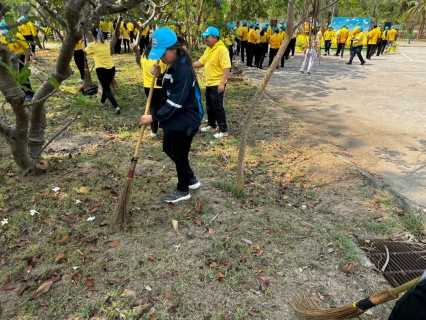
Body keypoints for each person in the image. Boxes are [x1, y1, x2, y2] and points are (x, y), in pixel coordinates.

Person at [140, 27, 203, 203]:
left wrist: (153, 117)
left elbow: (176, 102)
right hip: (175, 117)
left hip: (186, 120)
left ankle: (183, 189)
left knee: (179, 155)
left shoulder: (183, 70)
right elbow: (170, 89)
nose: (161, 57)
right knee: (169, 148)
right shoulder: (173, 66)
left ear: (173, 49)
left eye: (163, 53)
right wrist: (160, 77)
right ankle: (190, 178)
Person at [194, 26, 231, 139]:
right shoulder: (209, 49)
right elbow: (201, 62)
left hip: (217, 83)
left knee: (217, 107)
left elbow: (226, 67)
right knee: (210, 106)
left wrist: (222, 83)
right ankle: (212, 125)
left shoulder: (222, 50)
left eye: (207, 37)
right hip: (209, 83)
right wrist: (187, 65)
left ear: (214, 37)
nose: (206, 39)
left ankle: (223, 130)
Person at [85, 28, 120, 114]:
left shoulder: (92, 45)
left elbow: (84, 51)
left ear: (92, 35)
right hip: (112, 68)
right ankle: (103, 101)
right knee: (106, 86)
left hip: (101, 70)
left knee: (107, 89)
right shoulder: (107, 43)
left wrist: (83, 41)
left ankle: (116, 106)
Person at [1, 22, 34, 100]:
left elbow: (27, 49)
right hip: (11, 57)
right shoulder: (2, 37)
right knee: (13, 75)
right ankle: (19, 92)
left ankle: (29, 94)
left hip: (21, 56)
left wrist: (26, 61)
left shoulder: (18, 36)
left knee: (22, 74)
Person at [141, 43, 167, 137]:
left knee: (153, 108)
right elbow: (165, 71)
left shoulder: (143, 57)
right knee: (163, 108)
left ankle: (154, 131)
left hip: (147, 86)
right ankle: (164, 129)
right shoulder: (161, 58)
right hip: (160, 87)